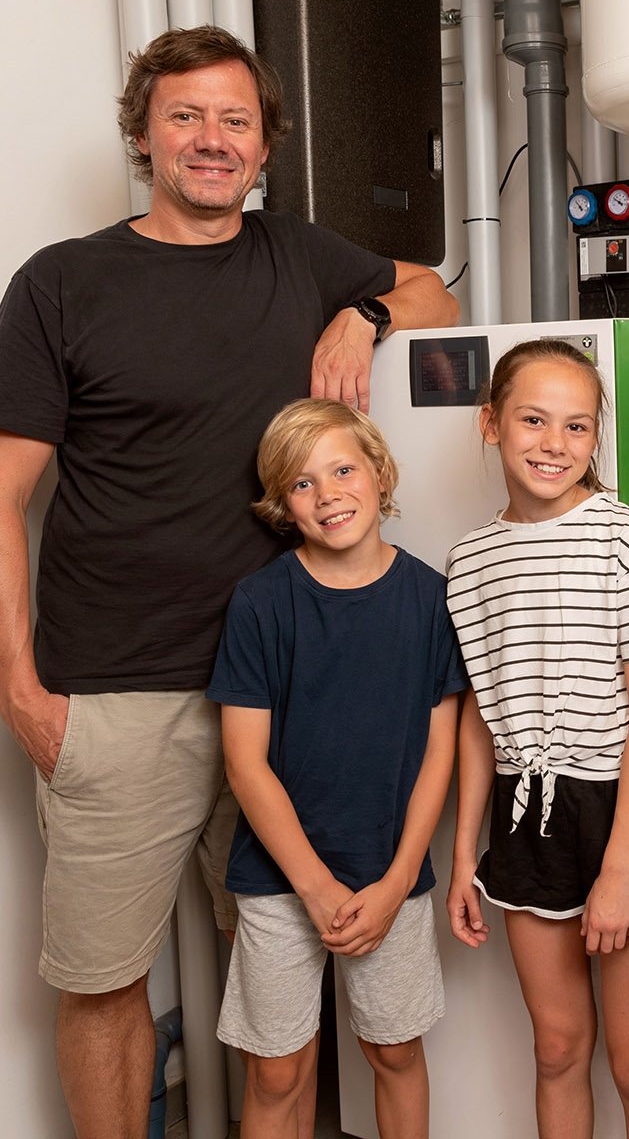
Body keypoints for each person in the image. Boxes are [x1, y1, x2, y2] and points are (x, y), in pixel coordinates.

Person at [0, 24, 458, 1138]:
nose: (212, 139)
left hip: (284, 696)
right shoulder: (63, 282)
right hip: (116, 693)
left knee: (280, 964)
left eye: (236, 119)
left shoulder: (299, 255)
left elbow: (436, 293)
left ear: (266, 144)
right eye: (184, 116)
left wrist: (362, 312)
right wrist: (20, 693)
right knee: (104, 981)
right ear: (142, 135)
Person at [443, 339, 629, 1138]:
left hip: (617, 811)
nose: (554, 443)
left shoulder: (625, 541)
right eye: (533, 420)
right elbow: (478, 715)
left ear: (595, 438)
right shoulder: (470, 561)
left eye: (577, 426)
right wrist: (464, 856)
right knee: (556, 1049)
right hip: (523, 814)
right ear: (491, 424)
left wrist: (618, 872)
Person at [209, 399, 463, 1139]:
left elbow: (439, 753)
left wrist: (397, 881)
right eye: (302, 482)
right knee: (277, 1071)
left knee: (394, 1051)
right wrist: (315, 889)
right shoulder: (260, 604)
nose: (327, 495)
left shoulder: (431, 601)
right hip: (279, 877)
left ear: (379, 472)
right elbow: (244, 763)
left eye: (343, 470)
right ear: (282, 505)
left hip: (390, 873)